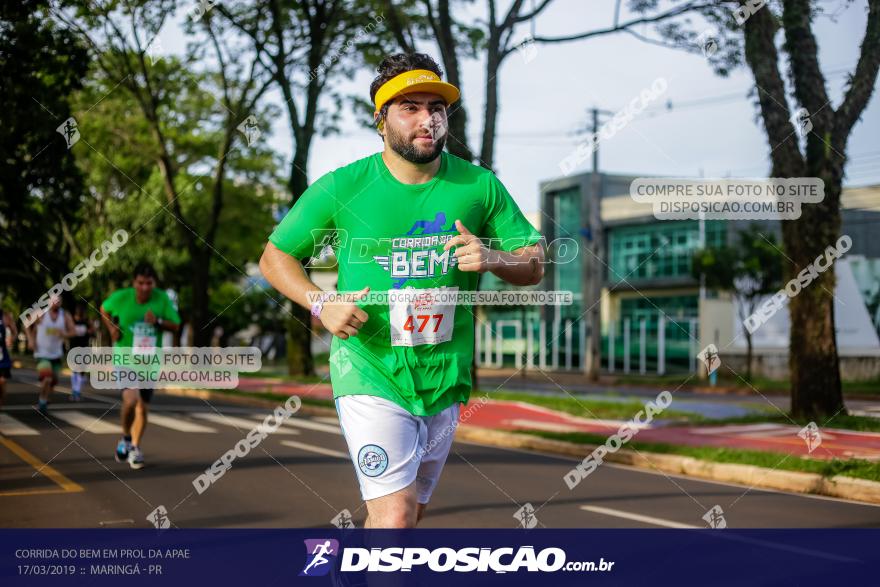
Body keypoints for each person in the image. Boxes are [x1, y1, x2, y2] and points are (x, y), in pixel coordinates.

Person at [259, 53, 544, 528]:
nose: (427, 118)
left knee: (407, 515)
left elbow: (533, 263)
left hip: (444, 377)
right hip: (368, 370)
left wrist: (494, 258)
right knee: (395, 515)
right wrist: (322, 302)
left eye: (436, 106)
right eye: (409, 106)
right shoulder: (342, 187)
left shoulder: (479, 186)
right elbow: (275, 257)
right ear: (381, 120)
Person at [100, 262, 180, 469]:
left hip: (149, 361)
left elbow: (176, 324)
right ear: (134, 282)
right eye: (141, 283)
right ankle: (126, 437)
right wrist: (112, 329)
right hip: (125, 358)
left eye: (149, 283)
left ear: (154, 283)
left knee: (143, 408)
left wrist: (158, 322)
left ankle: (134, 446)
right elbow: (103, 309)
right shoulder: (122, 297)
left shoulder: (161, 299)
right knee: (130, 398)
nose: (145, 287)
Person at [26, 296, 75, 415]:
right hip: (41, 353)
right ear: (49, 303)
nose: (56, 304)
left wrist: (65, 334)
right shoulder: (41, 313)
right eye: (54, 302)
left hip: (56, 353)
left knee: (53, 380)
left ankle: (46, 396)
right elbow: (27, 324)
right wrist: (30, 340)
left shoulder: (65, 315)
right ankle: (42, 401)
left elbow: (73, 331)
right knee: (47, 378)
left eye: (58, 301)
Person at [69, 303, 94, 401]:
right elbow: (68, 331)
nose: (79, 313)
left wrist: (90, 329)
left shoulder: (86, 322)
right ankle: (74, 391)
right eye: (78, 311)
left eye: (81, 311)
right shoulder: (72, 321)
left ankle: (77, 391)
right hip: (74, 348)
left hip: (84, 348)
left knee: (82, 370)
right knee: (74, 369)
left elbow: (92, 332)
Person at [0, 310, 19, 410]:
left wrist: (12, 338)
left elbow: (14, 331)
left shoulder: (5, 316)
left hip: (2, 358)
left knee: (2, 381)